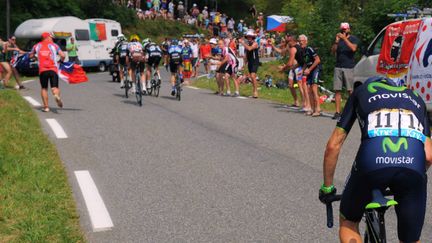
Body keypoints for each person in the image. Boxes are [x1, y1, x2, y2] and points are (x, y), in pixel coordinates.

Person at [319, 76, 432, 243]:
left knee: (349, 221)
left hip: (372, 162)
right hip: (413, 166)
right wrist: (407, 179)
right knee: (411, 239)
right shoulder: (416, 97)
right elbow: (428, 155)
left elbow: (333, 145)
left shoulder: (361, 92)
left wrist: (327, 188)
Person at [29, 32, 65, 112]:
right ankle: (56, 95)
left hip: (42, 70)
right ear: (47, 37)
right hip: (53, 69)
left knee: (44, 88)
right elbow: (63, 55)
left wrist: (36, 57)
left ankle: (46, 107)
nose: (52, 39)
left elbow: (30, 55)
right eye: (51, 37)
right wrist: (60, 61)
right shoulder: (54, 45)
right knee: (55, 87)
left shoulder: (36, 46)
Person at [331, 22, 360, 120]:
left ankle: (352, 111)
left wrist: (344, 39)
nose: (343, 31)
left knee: (350, 90)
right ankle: (337, 112)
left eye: (345, 29)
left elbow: (353, 48)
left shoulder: (353, 38)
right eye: (342, 29)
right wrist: (336, 41)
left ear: (348, 29)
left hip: (348, 67)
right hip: (338, 66)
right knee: (337, 90)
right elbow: (333, 51)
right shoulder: (339, 40)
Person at [300, 34, 322, 117]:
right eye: (299, 41)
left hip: (315, 69)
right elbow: (306, 62)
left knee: (314, 88)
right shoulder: (303, 51)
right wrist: (302, 70)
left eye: (301, 41)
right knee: (308, 89)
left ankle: (318, 109)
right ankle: (312, 109)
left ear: (306, 41)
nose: (300, 42)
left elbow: (317, 60)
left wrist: (309, 69)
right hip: (309, 70)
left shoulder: (309, 49)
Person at [239, 30, 259, 98]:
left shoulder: (255, 43)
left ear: (252, 37)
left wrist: (243, 43)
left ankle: (255, 91)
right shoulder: (247, 44)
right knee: (251, 76)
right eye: (248, 37)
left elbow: (250, 49)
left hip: (255, 62)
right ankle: (254, 90)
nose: (249, 38)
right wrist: (244, 65)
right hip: (250, 62)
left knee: (253, 76)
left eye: (250, 37)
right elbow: (246, 55)